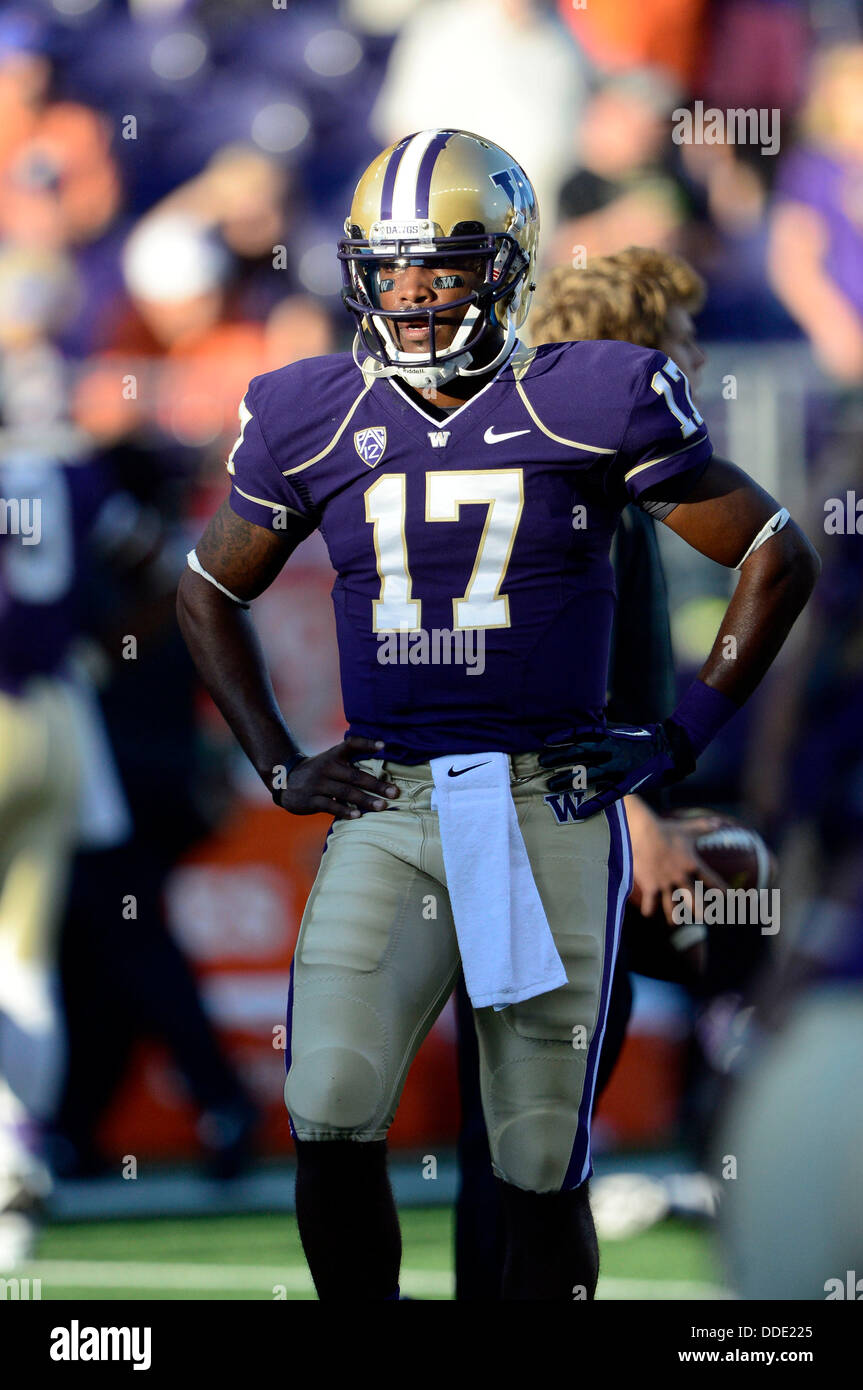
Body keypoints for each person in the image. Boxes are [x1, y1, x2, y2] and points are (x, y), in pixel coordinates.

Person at [177, 130, 819, 1301]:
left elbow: (774, 552)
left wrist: (674, 740)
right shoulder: (306, 410)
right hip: (389, 796)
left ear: (508, 264)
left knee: (533, 1153)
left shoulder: (594, 394)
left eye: (444, 264)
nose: (414, 294)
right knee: (326, 1100)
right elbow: (206, 586)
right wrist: (276, 763)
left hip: (544, 800)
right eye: (392, 266)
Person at [452, 247, 773, 1296]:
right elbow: (552, 678)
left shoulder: (518, 451)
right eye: (674, 342)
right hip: (557, 823)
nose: (687, 363)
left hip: (499, 818)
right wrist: (634, 811)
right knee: (536, 1132)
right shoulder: (585, 475)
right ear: (636, 347)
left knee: (508, 1126)